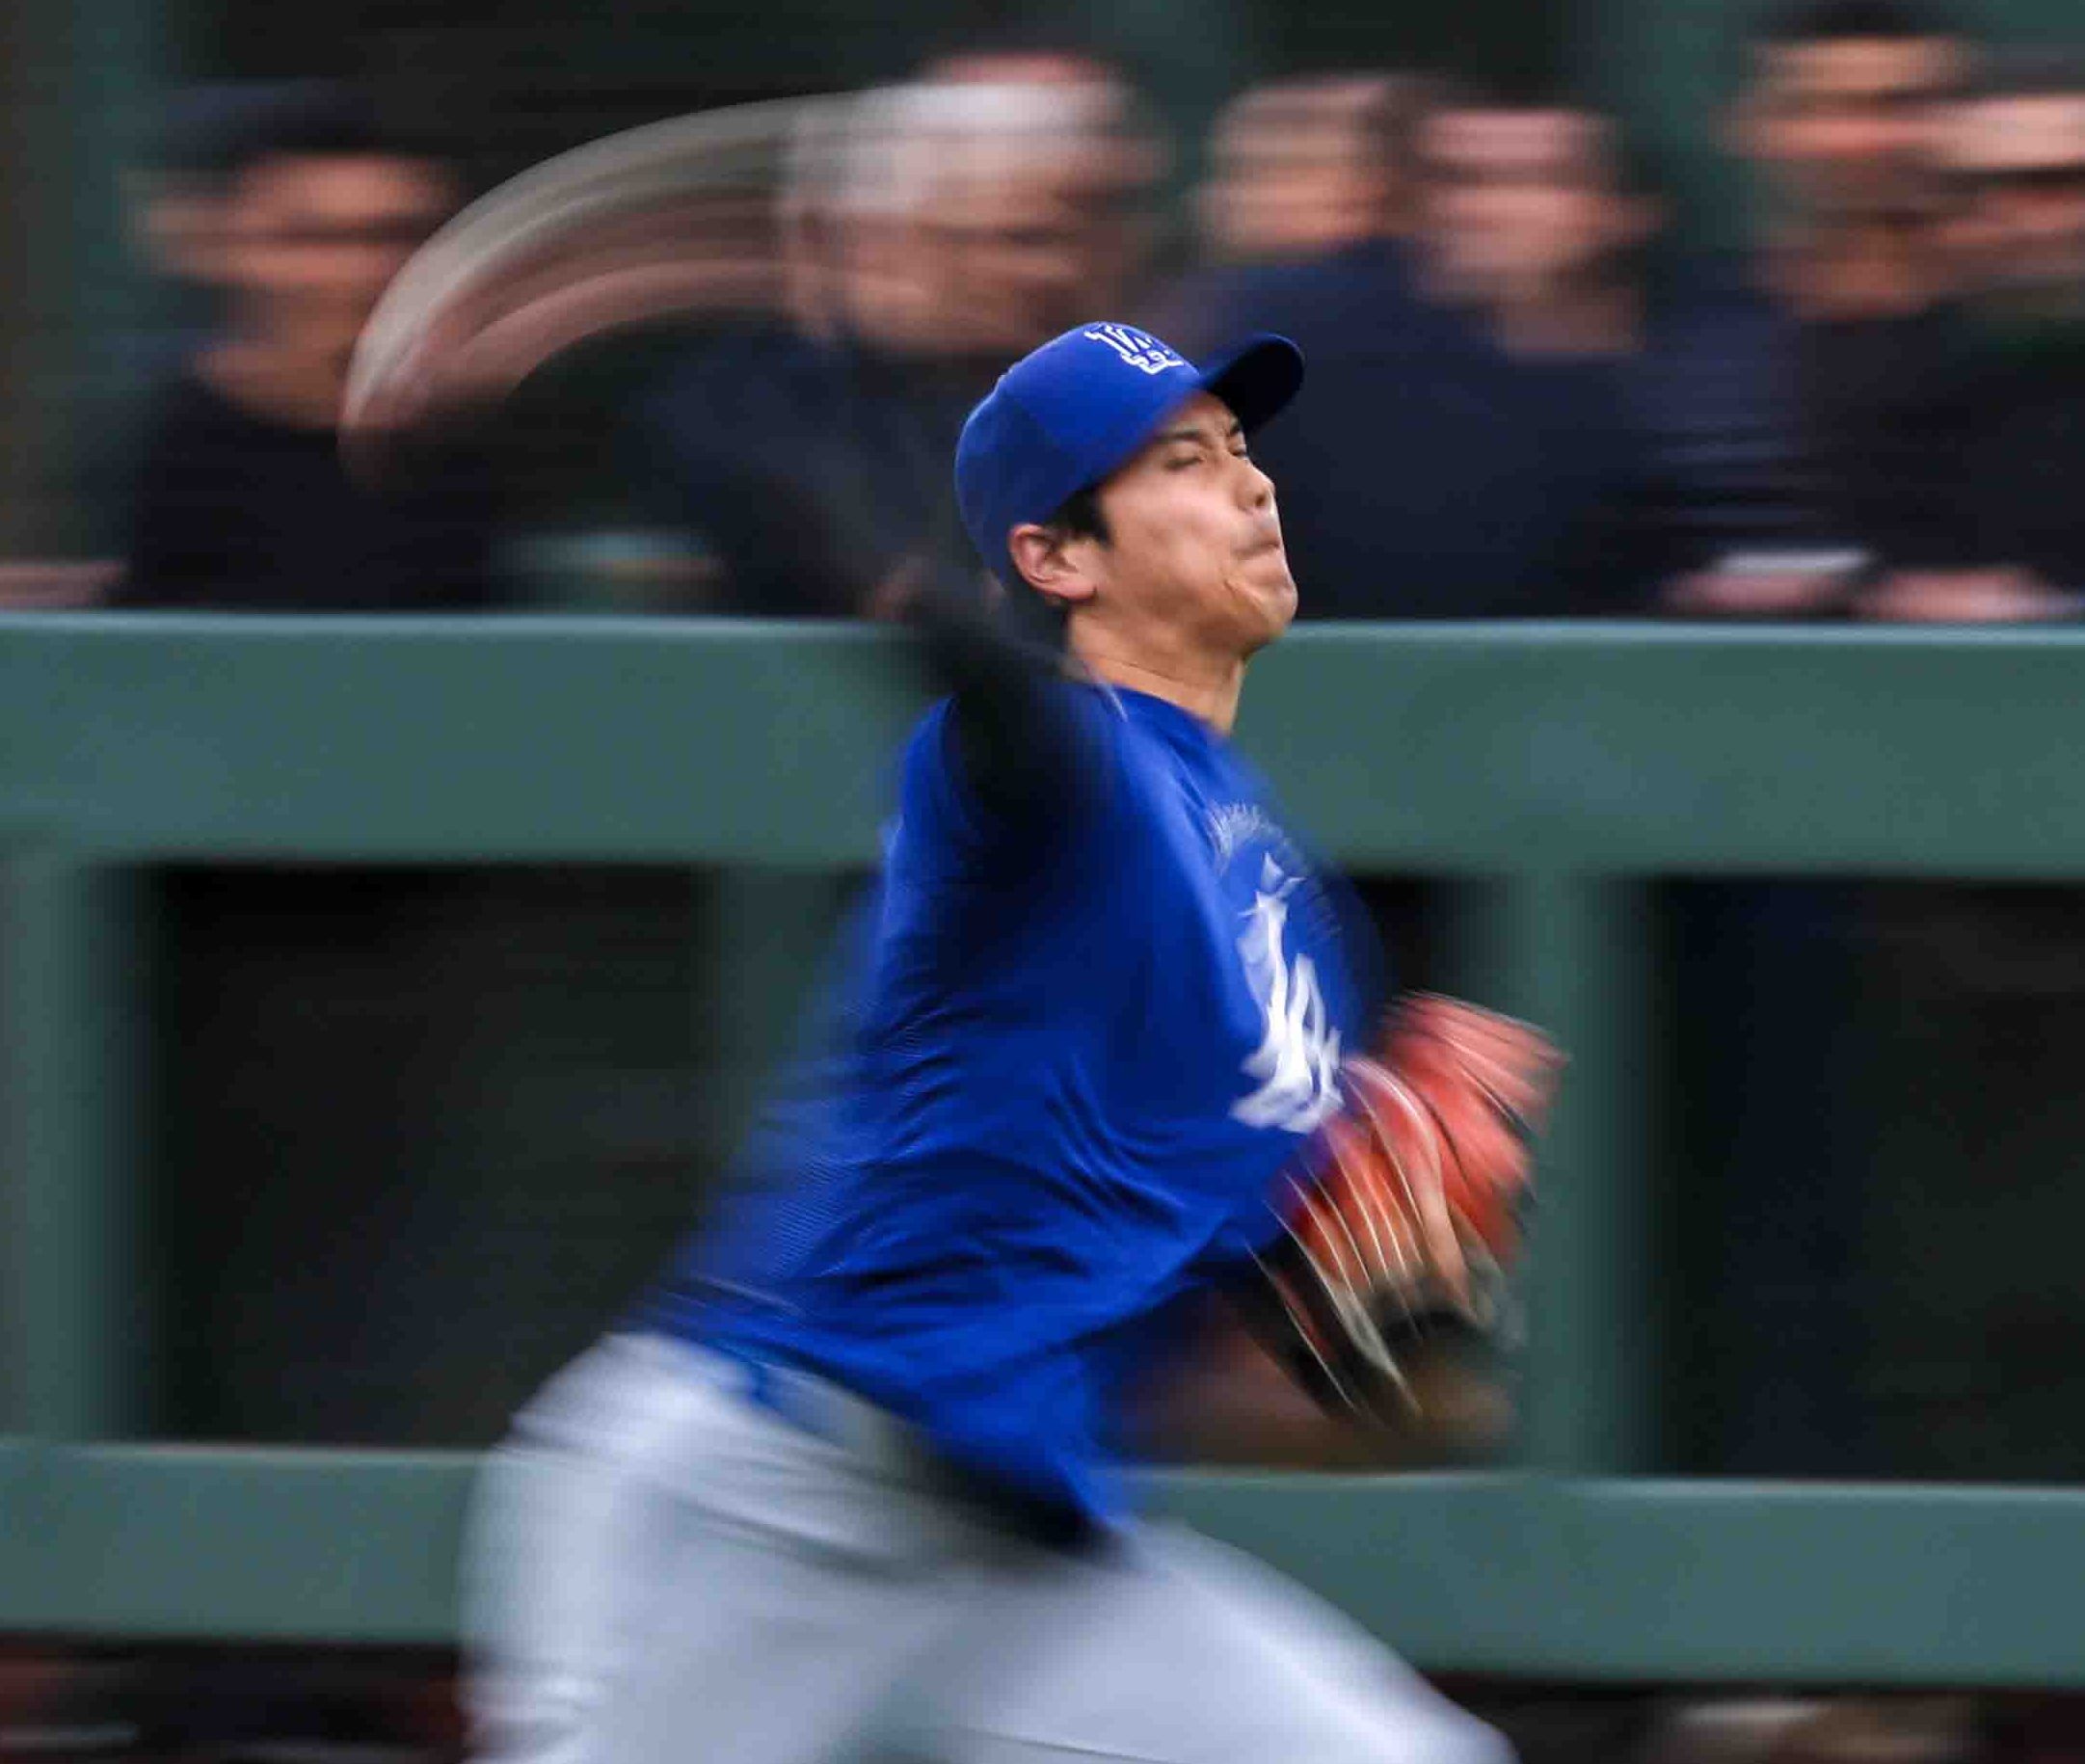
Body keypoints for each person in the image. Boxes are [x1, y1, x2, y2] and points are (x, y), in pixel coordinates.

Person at [464, 323, 1517, 1764]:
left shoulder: (1289, 909)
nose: (1250, 489)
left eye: (1242, 453)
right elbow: (989, 705)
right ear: (1056, 558)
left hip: (1018, 1558)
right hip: (764, 1504)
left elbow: (1229, 1365)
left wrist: (1397, 1351)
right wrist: (850, 551)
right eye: (1182, 463)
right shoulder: (1040, 778)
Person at [113, 84, 498, 611]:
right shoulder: (159, 452)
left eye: (397, 235)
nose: (364, 273)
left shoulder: (459, 445)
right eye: (311, 238)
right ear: (211, 246)